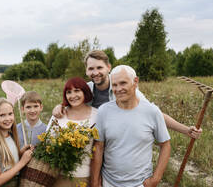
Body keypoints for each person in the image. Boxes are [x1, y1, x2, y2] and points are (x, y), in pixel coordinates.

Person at [53, 50, 202, 138]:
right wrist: (59, 107)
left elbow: (154, 113)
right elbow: (71, 106)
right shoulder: (86, 89)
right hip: (93, 143)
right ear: (86, 70)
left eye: (99, 67)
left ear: (108, 67)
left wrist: (185, 130)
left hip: (118, 140)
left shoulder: (123, 89)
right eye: (91, 69)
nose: (95, 72)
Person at [90, 65, 171, 187]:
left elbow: (165, 144)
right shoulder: (104, 111)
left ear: (135, 82)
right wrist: (95, 183)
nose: (118, 89)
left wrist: (156, 179)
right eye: (114, 85)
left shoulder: (152, 112)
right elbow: (98, 147)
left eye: (123, 83)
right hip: (111, 186)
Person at [47, 77, 97, 187]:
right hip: (60, 177)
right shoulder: (59, 114)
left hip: (85, 178)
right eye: (68, 92)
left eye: (77, 91)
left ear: (85, 92)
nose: (73, 95)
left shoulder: (97, 115)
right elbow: (47, 143)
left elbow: (101, 149)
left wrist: (97, 182)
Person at [17, 91, 47, 187]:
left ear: (41, 107)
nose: (32, 110)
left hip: (37, 179)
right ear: (23, 109)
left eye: (35, 106)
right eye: (28, 107)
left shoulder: (46, 129)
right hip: (20, 176)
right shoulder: (18, 128)